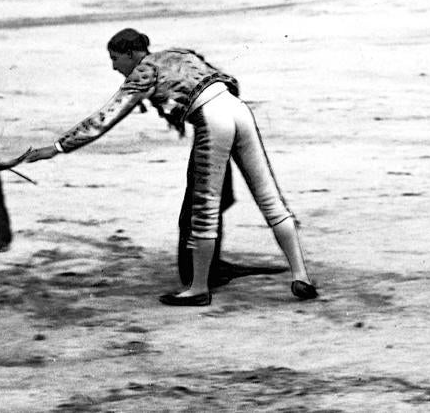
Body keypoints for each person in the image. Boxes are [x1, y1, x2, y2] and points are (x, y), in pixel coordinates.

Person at [24, 28, 318, 306]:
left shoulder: (143, 72)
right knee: (269, 198)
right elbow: (228, 80)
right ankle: (301, 275)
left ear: (130, 54)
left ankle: (198, 288)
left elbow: (106, 116)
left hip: (211, 120)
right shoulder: (178, 53)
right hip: (239, 109)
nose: (115, 67)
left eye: (115, 59)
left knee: (204, 209)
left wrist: (59, 147)